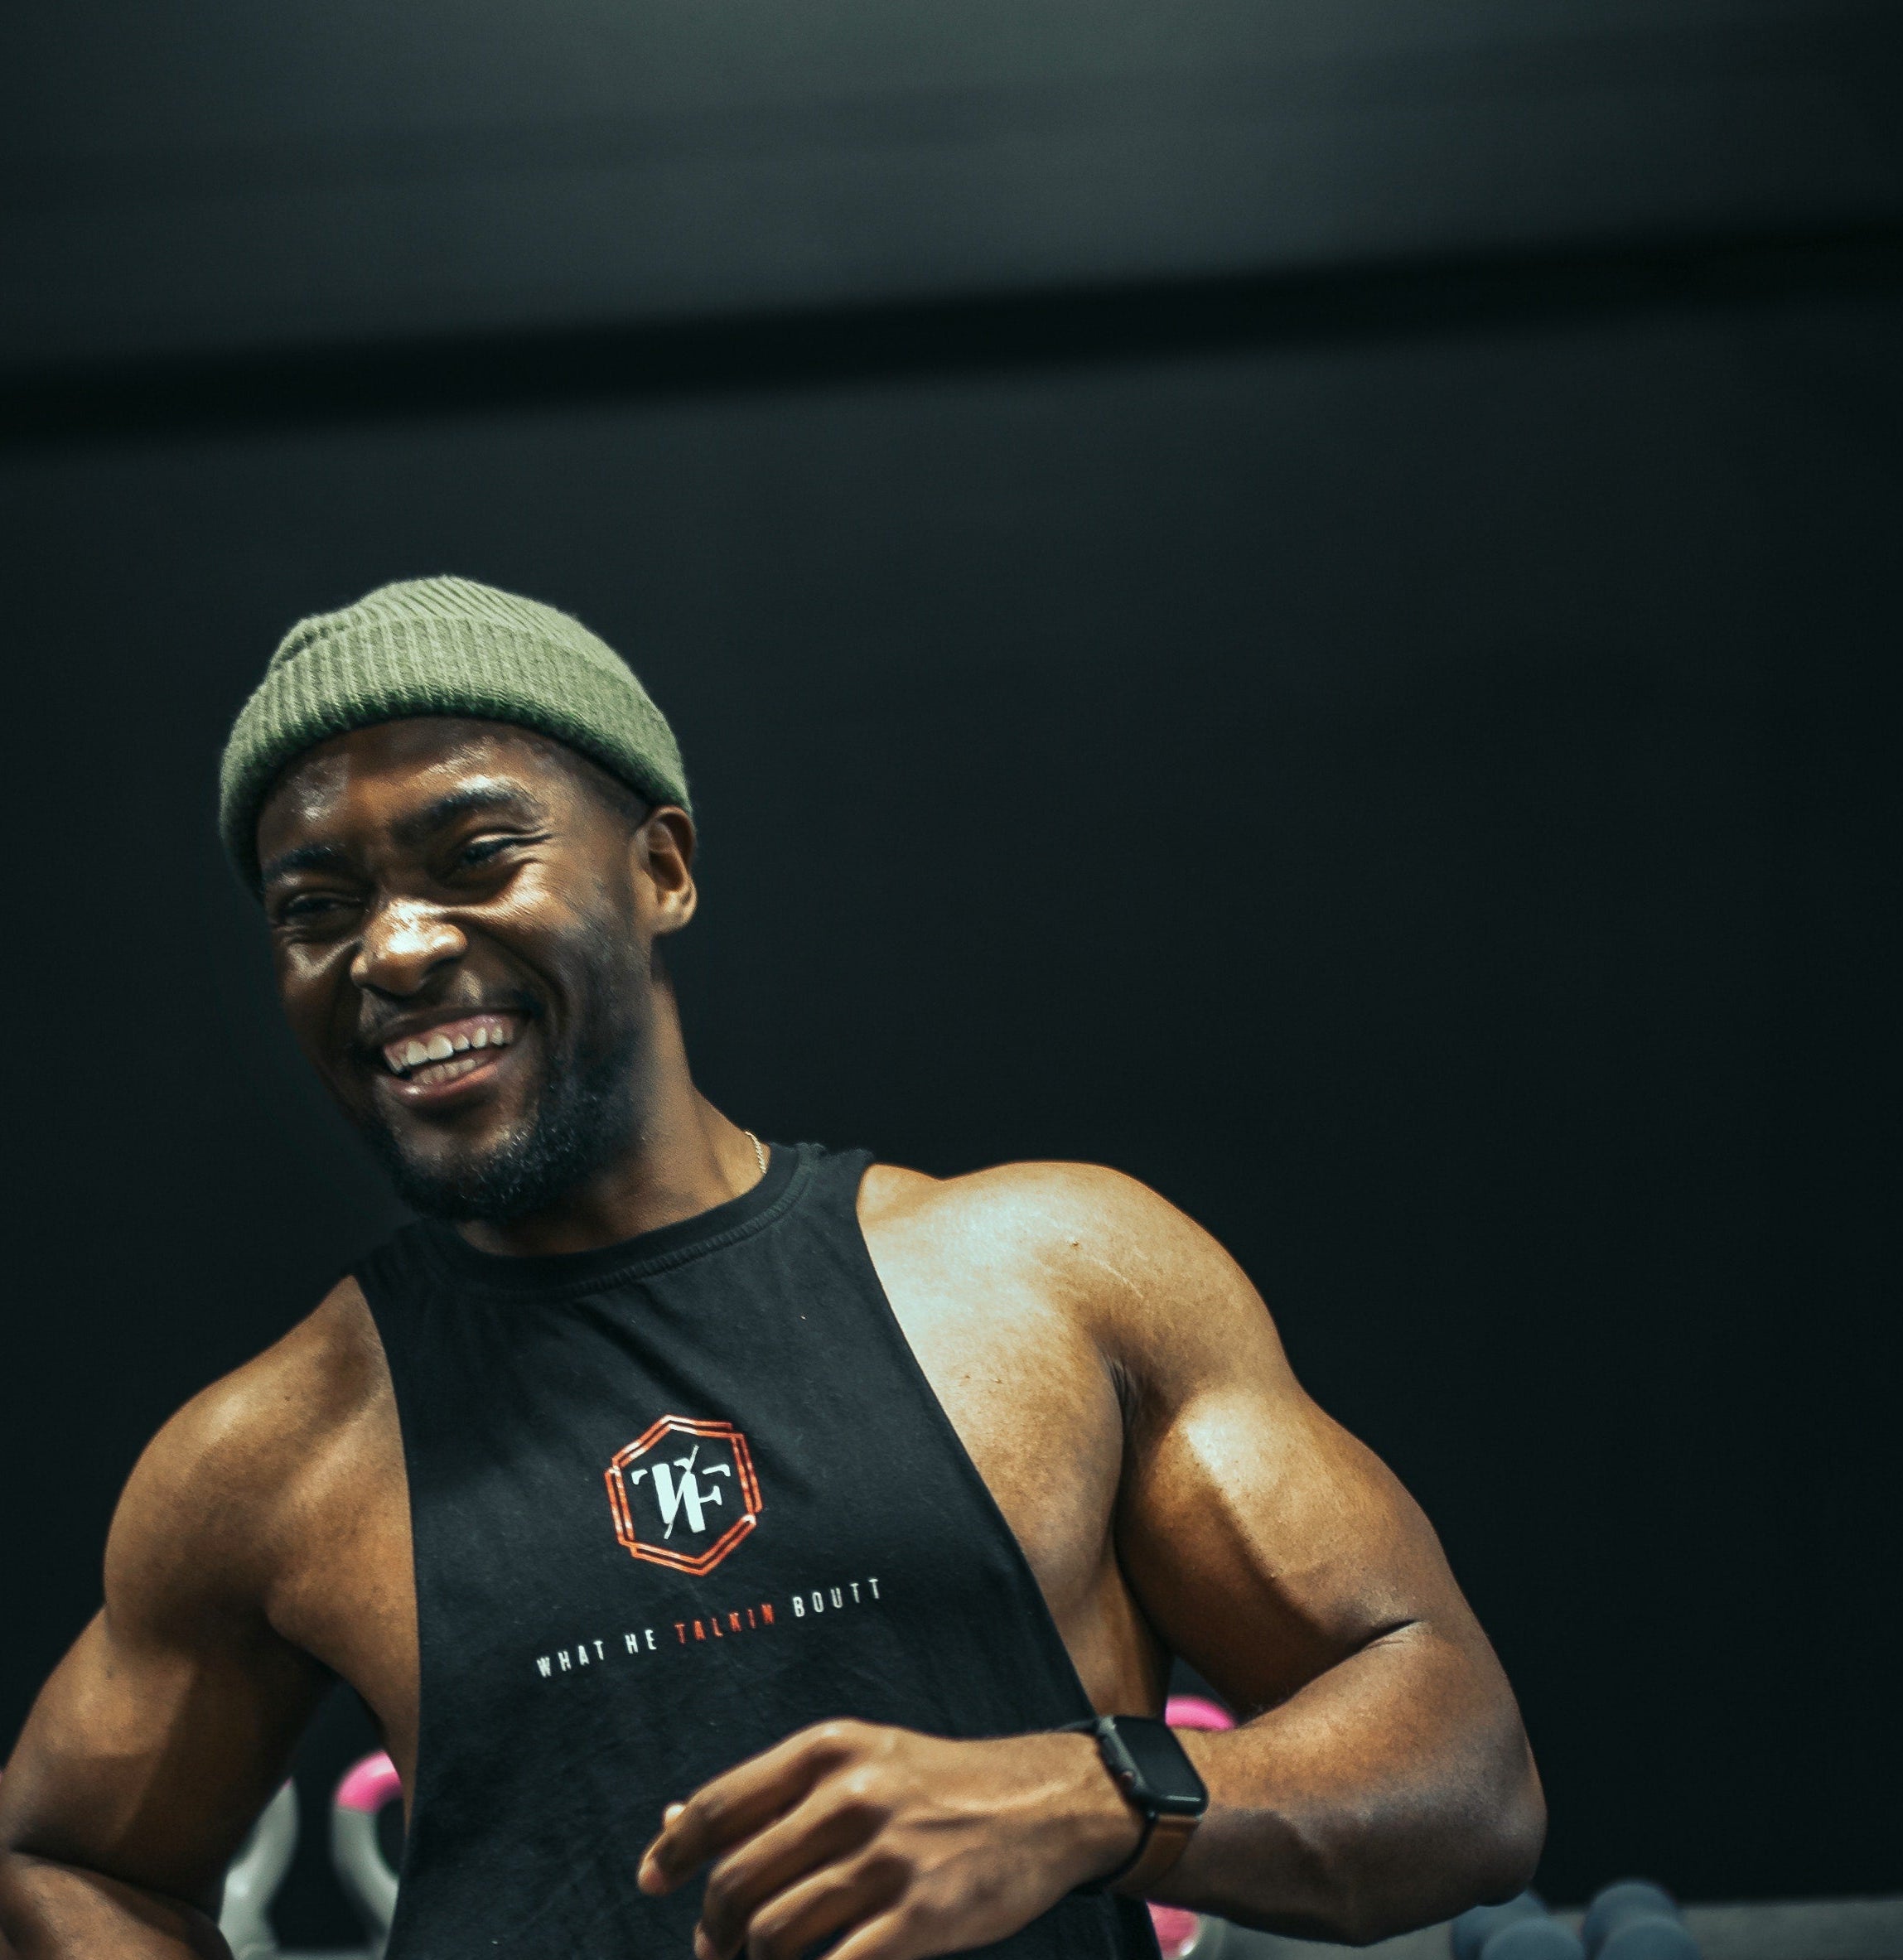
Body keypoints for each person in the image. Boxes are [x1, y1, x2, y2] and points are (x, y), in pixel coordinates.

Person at [0, 578, 1543, 1960]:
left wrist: (1088, 1794)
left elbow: (1463, 1768)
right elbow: (63, 1857)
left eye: (476, 854)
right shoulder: (266, 1458)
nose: (395, 947)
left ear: (660, 868)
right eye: (314, 911)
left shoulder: (1048, 1278)